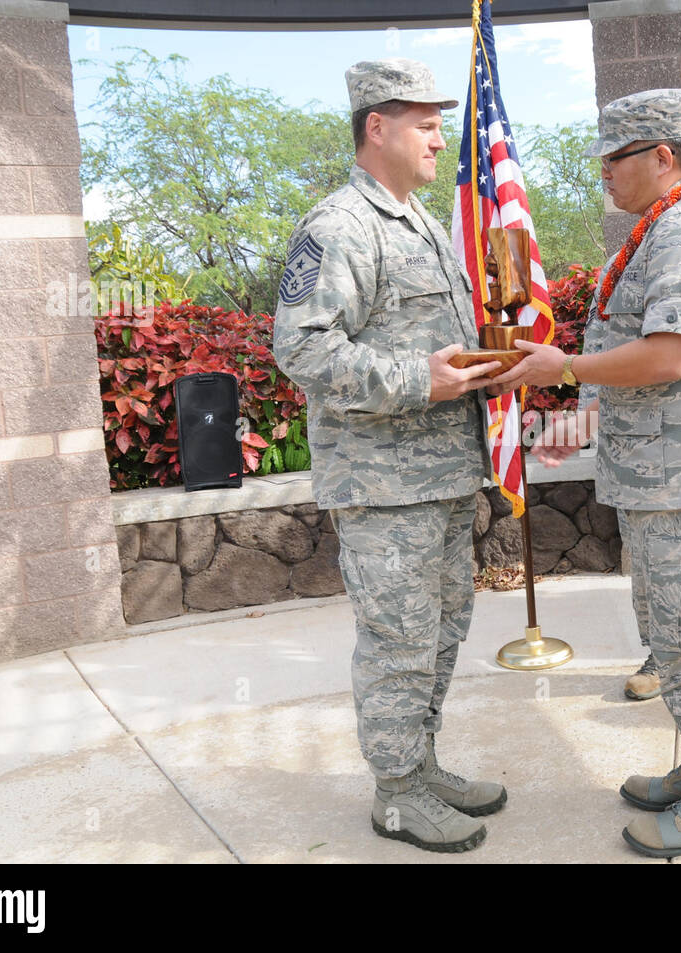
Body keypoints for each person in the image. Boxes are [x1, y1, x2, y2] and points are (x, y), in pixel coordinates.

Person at [496, 88, 681, 858]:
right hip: (669, 477)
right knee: (679, 634)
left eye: (615, 159)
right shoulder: (667, 230)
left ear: (664, 157)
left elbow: (668, 355)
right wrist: (576, 422)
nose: (604, 175)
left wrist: (562, 364)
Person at [272, 58, 508, 854]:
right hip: (383, 487)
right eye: (426, 122)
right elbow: (299, 346)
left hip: (439, 477)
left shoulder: (422, 222)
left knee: (440, 634)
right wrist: (420, 378)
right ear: (377, 126)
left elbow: (433, 350)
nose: (442, 137)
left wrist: (486, 365)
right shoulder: (339, 225)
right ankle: (397, 791)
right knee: (398, 641)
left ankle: (420, 763)